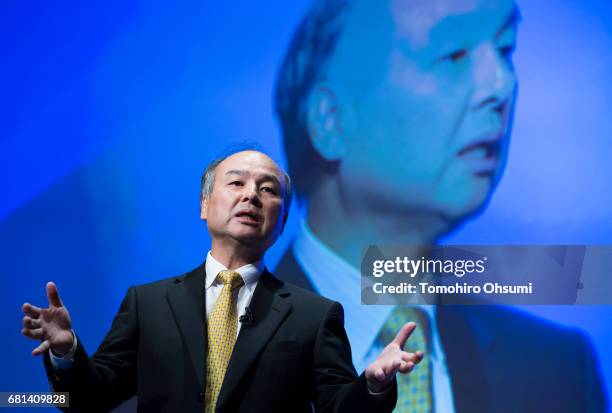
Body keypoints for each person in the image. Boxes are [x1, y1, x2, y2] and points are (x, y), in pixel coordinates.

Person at [274, 0, 608, 411]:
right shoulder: (211, 358)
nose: (501, 85)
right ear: (331, 119)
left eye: (505, 48)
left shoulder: (557, 373)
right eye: (454, 54)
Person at [21, 150, 425, 412]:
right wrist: (67, 353)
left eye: (268, 190)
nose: (252, 195)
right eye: (236, 183)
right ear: (204, 205)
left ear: (282, 222)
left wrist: (372, 385)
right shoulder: (148, 303)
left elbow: (339, 408)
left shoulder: (314, 315)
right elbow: (88, 399)